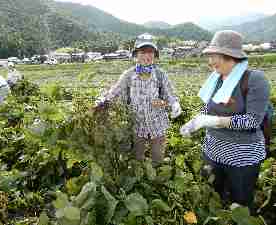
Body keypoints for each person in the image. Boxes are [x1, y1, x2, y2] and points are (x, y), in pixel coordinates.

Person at [180, 30, 270, 212]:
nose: (210, 61)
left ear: (231, 56)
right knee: (214, 197)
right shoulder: (216, 79)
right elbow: (209, 108)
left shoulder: (254, 79)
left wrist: (214, 121)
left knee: (241, 204)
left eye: (215, 56)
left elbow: (252, 121)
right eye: (210, 56)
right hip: (212, 152)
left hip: (242, 157)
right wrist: (195, 121)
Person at [95, 33, 181, 166]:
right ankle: (140, 180)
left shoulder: (160, 74)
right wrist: (102, 100)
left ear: (155, 54)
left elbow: (170, 94)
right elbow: (115, 91)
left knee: (157, 159)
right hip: (137, 124)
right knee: (137, 160)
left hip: (157, 124)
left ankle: (156, 180)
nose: (147, 55)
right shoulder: (129, 75)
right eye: (143, 51)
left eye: (150, 52)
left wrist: (174, 103)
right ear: (136, 54)